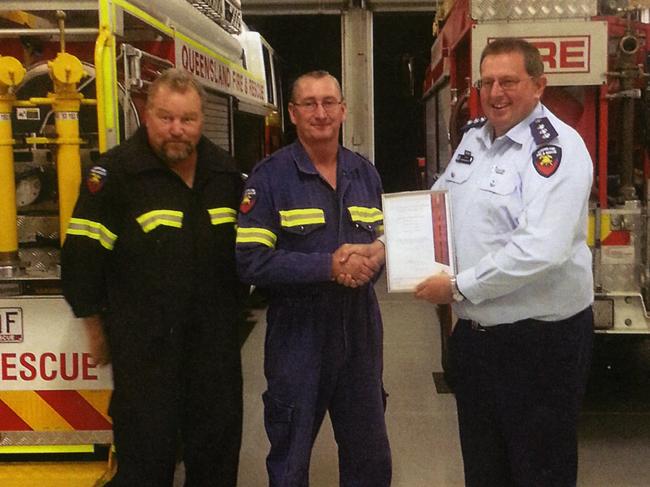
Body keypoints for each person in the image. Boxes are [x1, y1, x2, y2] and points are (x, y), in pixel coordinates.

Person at [415, 38, 594, 486]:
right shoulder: (476, 138)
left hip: (539, 345)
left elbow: (540, 249)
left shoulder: (556, 151)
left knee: (539, 470)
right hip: (478, 343)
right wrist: (386, 245)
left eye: (509, 81)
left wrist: (457, 288)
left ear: (538, 85)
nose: (496, 93)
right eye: (487, 82)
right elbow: (438, 205)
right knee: (484, 467)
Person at [61, 68, 243, 486]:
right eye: (166, 118)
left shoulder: (225, 174)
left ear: (201, 120)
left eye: (188, 119)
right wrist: (94, 326)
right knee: (146, 460)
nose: (177, 130)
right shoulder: (115, 176)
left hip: (213, 351)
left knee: (216, 455)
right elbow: (82, 256)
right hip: (145, 353)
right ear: (146, 115)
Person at [236, 70, 390, 486]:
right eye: (309, 104)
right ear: (293, 113)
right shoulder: (269, 178)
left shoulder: (366, 175)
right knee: (290, 459)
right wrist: (328, 267)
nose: (320, 113)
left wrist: (376, 259)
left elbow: (382, 244)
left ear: (343, 110)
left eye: (328, 103)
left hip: (360, 336)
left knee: (370, 458)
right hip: (297, 338)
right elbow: (250, 261)